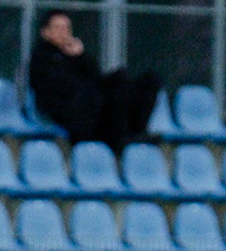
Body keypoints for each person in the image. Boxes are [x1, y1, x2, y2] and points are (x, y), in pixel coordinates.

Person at [27, 9, 160, 152]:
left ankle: (136, 131)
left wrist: (81, 56)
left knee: (138, 80)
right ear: (45, 32)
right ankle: (118, 138)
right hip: (71, 111)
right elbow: (60, 88)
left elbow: (96, 77)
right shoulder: (41, 57)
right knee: (104, 91)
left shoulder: (74, 55)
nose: (64, 32)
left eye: (67, 28)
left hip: (93, 104)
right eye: (58, 28)